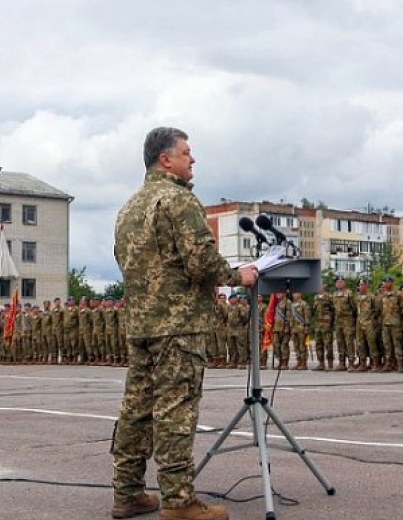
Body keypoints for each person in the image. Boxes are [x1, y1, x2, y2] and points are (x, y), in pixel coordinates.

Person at [111, 127, 257, 520]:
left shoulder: (129, 208)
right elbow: (202, 261)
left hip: (141, 325)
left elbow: (123, 261)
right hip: (178, 327)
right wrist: (238, 276)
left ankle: (127, 492)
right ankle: (178, 501)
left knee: (136, 410)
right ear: (165, 160)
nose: (192, 159)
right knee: (175, 410)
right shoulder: (179, 199)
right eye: (186, 152)